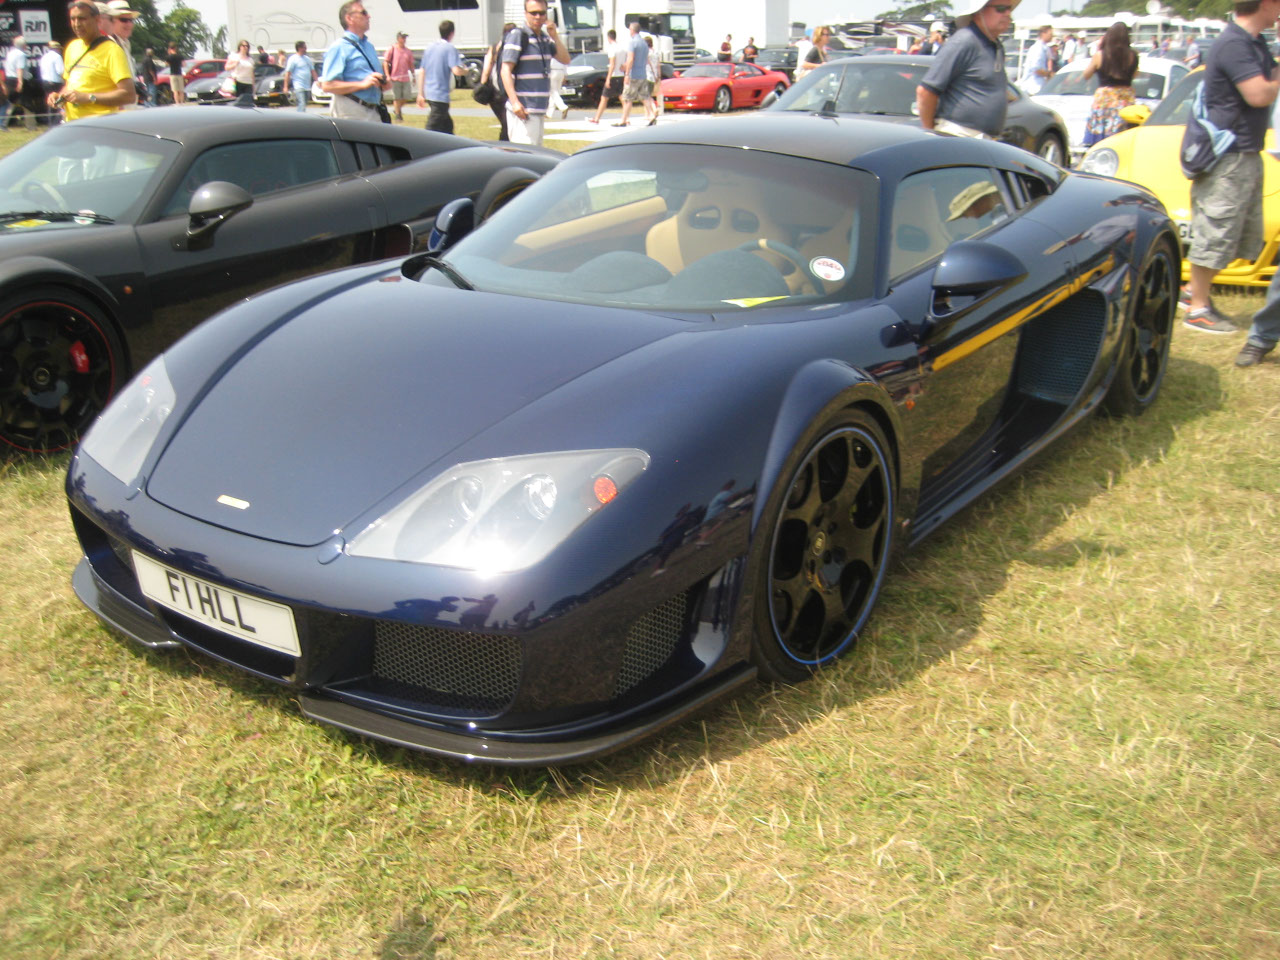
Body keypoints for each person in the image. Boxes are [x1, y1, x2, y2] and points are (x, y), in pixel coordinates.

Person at [1183, 0, 1280, 336]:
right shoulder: (1235, 44)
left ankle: (1195, 294)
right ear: (1265, 3)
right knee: (1216, 229)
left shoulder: (1251, 42)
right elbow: (1259, 94)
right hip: (1229, 155)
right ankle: (1197, 308)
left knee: (1230, 232)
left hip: (1242, 152)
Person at [916, 0, 1017, 139]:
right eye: (1000, 9)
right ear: (979, 12)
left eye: (1009, 9)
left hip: (984, 139)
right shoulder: (964, 41)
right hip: (959, 135)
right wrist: (930, 133)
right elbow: (926, 91)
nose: (1007, 14)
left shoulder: (996, 46)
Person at [48, 0, 136, 121]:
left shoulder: (112, 51)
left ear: (97, 19)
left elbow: (129, 95)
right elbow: (69, 85)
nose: (77, 24)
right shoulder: (72, 47)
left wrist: (90, 98)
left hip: (100, 126)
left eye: (82, 18)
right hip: (73, 124)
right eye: (73, 19)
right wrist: (59, 96)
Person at [500, 0, 569, 145]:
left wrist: (554, 36)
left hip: (538, 110)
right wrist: (515, 103)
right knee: (525, 158)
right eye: (533, 13)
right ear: (525, 14)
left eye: (542, 13)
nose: (538, 17)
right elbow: (505, 70)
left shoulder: (544, 38)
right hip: (523, 111)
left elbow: (565, 59)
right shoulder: (518, 35)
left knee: (536, 157)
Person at [320, 0, 389, 122]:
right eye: (364, 12)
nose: (369, 16)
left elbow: (377, 81)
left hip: (374, 111)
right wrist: (362, 84)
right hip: (351, 111)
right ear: (349, 18)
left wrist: (383, 82)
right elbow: (328, 85)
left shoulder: (369, 47)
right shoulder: (339, 47)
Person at [1080, 22, 1138, 148]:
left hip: (1104, 101)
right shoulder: (1133, 55)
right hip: (1125, 100)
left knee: (1100, 143)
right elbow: (1134, 75)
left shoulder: (1100, 55)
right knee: (1123, 141)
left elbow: (1086, 75)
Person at [416, 19, 465, 132]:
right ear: (452, 33)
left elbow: (422, 70)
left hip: (430, 92)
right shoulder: (450, 48)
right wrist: (465, 71)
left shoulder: (430, 47)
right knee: (432, 128)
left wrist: (420, 93)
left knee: (447, 126)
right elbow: (456, 71)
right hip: (440, 95)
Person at [613, 20, 652, 127]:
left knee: (627, 98)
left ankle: (623, 120)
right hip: (642, 73)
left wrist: (626, 73)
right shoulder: (644, 43)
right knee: (645, 96)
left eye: (630, 29)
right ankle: (651, 115)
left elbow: (631, 59)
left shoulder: (632, 42)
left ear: (632, 30)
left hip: (633, 74)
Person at [479, 22, 515, 139]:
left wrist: (483, 85)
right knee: (507, 124)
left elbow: (487, 68)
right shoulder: (511, 48)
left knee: (505, 123)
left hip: (495, 92)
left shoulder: (494, 47)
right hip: (504, 90)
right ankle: (504, 146)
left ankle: (505, 144)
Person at [588, 27, 623, 124]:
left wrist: (608, 78)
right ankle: (626, 117)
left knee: (604, 97)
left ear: (608, 38)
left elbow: (612, 64)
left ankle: (597, 118)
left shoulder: (612, 48)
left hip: (614, 75)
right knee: (622, 96)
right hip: (621, 75)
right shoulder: (621, 48)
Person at [383, 30, 415, 121]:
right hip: (394, 77)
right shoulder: (392, 49)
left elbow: (411, 64)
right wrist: (387, 75)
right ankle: (398, 115)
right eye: (402, 37)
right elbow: (386, 62)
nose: (404, 39)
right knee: (397, 97)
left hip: (405, 78)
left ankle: (397, 109)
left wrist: (413, 75)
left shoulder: (408, 51)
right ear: (398, 39)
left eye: (405, 38)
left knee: (406, 97)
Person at [2, 36, 31, 129]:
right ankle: (31, 125)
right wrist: (20, 82)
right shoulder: (21, 54)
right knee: (27, 104)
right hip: (17, 80)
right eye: (25, 43)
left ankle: (3, 123)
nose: (26, 45)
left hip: (9, 79)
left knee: (10, 102)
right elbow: (20, 69)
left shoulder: (10, 53)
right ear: (23, 45)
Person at [1019, 24, 1055, 94]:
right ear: (1043, 33)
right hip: (1033, 87)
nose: (1052, 36)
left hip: (1038, 86)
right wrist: (1050, 74)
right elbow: (1036, 69)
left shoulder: (1044, 47)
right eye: (1050, 34)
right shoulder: (1038, 48)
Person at [281, 40, 315, 112]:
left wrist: (317, 81)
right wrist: (285, 86)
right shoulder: (293, 59)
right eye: (304, 47)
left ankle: (300, 116)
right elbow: (288, 73)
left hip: (307, 86)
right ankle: (301, 119)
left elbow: (313, 71)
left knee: (304, 103)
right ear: (299, 48)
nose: (306, 49)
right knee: (301, 103)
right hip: (298, 85)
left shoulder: (307, 59)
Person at [225, 39, 256, 105]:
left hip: (248, 83)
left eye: (247, 46)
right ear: (240, 47)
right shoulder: (234, 56)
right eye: (243, 46)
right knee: (238, 103)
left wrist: (254, 87)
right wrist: (235, 64)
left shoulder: (250, 59)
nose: (245, 47)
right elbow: (227, 68)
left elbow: (252, 74)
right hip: (238, 82)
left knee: (248, 103)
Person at [39, 41, 64, 123]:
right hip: (55, 83)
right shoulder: (57, 57)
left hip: (45, 82)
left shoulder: (44, 57)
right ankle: (56, 122)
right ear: (57, 49)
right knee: (59, 102)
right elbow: (60, 71)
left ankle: (51, 122)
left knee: (50, 103)